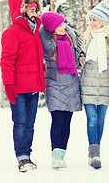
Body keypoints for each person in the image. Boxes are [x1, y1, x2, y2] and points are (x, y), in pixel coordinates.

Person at [0, 0, 46, 172]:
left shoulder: (36, 30)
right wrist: (8, 84)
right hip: (18, 87)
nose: (33, 9)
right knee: (20, 122)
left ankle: (27, 154)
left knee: (30, 123)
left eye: (35, 7)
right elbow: (6, 60)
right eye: (29, 6)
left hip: (33, 85)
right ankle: (22, 157)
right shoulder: (11, 33)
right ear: (20, 9)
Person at [39, 12, 82, 169]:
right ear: (51, 28)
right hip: (55, 84)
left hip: (71, 84)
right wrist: (47, 25)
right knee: (58, 120)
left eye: (64, 24)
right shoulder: (49, 45)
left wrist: (65, 28)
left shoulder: (69, 42)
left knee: (67, 122)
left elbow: (77, 59)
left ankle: (62, 154)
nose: (64, 27)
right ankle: (55, 155)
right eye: (59, 25)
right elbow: (43, 32)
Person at [76, 1, 109, 169]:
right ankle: (94, 154)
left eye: (95, 20)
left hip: (105, 86)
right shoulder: (85, 39)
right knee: (92, 120)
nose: (91, 23)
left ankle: (96, 149)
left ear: (103, 22)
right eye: (90, 20)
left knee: (101, 121)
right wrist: (81, 59)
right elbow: (77, 60)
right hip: (88, 86)